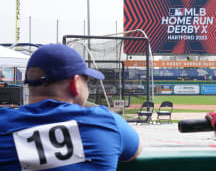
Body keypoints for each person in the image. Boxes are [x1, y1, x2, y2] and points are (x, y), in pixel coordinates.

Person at [0, 44, 142, 171]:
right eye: (85, 81)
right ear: (75, 84)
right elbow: (135, 150)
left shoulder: (3, 123)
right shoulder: (106, 121)